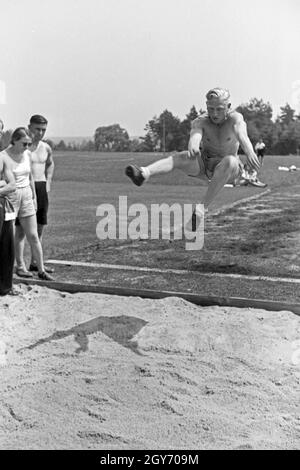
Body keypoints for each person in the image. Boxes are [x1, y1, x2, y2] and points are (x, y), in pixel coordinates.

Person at [125, 87, 260, 231]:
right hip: (207, 165)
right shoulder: (201, 121)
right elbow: (195, 136)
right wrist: (193, 146)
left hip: (230, 171)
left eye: (219, 109)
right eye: (211, 108)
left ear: (228, 107)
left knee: (230, 161)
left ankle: (201, 211)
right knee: (181, 157)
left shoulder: (236, 118)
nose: (214, 113)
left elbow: (242, 134)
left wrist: (250, 151)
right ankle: (144, 173)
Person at [0, 127, 54, 281]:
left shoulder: (27, 154)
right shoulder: (3, 156)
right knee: (10, 236)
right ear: (14, 141)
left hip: (27, 195)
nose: (26, 147)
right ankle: (18, 267)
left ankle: (41, 270)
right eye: (24, 143)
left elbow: (30, 177)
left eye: (29, 144)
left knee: (33, 235)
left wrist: (34, 197)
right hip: (11, 197)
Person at [15, 115, 54, 274]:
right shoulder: (23, 147)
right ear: (29, 127)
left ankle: (35, 264)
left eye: (43, 129)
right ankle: (20, 266)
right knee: (21, 231)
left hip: (41, 187)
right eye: (37, 129)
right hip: (24, 189)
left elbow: (50, 163)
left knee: (39, 228)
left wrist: (48, 180)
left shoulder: (46, 148)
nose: (40, 133)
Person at [0, 122, 17, 295]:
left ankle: (4, 287)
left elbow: (12, 185)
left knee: (6, 246)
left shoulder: (3, 157)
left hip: (2, 207)